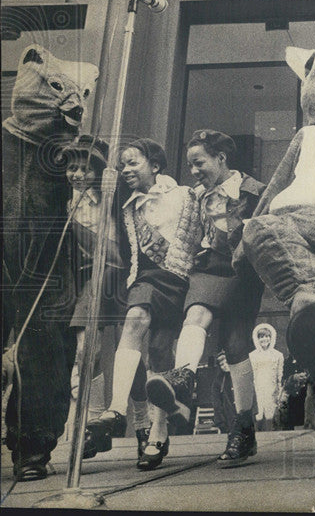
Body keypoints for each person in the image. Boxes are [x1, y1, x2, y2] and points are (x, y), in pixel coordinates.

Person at [144, 130, 266, 467]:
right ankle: (183, 376)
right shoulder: (195, 196)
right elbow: (180, 228)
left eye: (199, 163)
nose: (194, 171)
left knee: (237, 345)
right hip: (208, 267)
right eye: (190, 166)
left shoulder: (256, 191)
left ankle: (243, 430)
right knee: (195, 314)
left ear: (221, 158)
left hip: (243, 271)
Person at [84, 138, 202, 471]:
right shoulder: (128, 205)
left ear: (155, 165)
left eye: (132, 163)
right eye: (123, 165)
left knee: (160, 358)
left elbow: (193, 240)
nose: (126, 170)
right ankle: (116, 409)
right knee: (135, 317)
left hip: (178, 280)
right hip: (145, 281)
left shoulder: (183, 195)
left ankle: (158, 433)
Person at [62, 136, 152, 459]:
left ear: (99, 170)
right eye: (72, 167)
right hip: (90, 279)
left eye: (85, 168)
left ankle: (143, 423)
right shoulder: (67, 203)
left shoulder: (114, 194)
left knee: (131, 352)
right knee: (87, 349)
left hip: (122, 274)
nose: (77, 174)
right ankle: (94, 423)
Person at [249, 323, 283, 431]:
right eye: (261, 337)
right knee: (257, 414)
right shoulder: (252, 355)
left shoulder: (278, 355)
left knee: (271, 415)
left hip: (271, 387)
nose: (265, 339)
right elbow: (251, 374)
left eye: (267, 336)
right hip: (257, 387)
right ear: (257, 339)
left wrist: (279, 388)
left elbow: (280, 373)